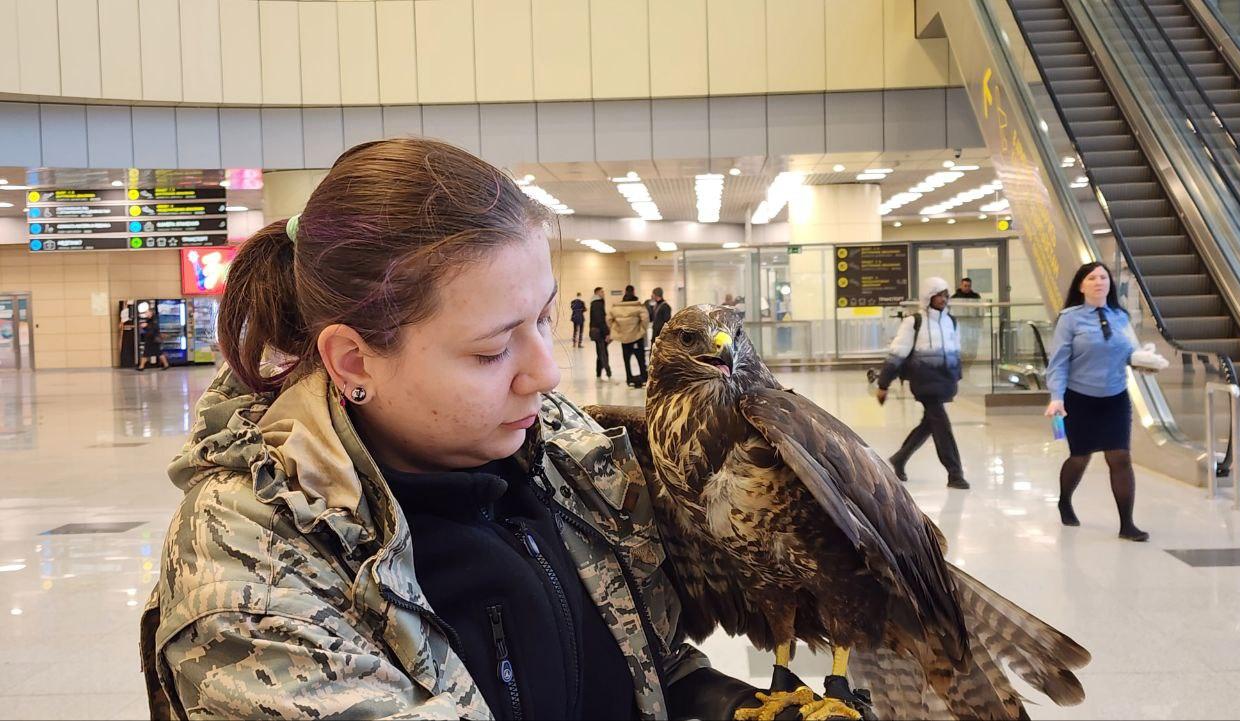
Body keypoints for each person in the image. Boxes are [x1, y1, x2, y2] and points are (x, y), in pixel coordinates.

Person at [140, 138, 813, 721]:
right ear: (353, 360)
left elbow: (638, 655)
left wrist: (727, 704)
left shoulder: (559, 449)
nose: (546, 373)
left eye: (545, 318)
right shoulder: (247, 574)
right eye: (492, 351)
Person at [1045, 262, 1163, 542]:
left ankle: (1127, 524)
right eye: (1092, 278)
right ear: (1081, 285)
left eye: (1103, 277)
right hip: (1079, 399)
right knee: (1080, 457)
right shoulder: (1070, 319)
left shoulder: (1121, 317)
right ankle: (1064, 500)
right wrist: (1056, 398)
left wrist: (1145, 361)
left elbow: (1130, 353)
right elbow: (1058, 363)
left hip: (1115, 398)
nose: (1099, 282)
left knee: (1120, 457)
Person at [875, 277, 968, 489]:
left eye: (946, 295)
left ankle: (900, 458)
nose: (943, 299)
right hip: (924, 382)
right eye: (939, 295)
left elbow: (955, 351)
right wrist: (883, 383)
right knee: (942, 425)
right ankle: (955, 473)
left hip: (945, 382)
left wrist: (957, 377)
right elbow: (897, 353)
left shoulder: (951, 322)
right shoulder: (913, 322)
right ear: (928, 297)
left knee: (930, 423)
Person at [608, 285, 650, 388]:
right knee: (640, 359)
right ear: (634, 292)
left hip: (624, 339)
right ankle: (644, 379)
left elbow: (609, 319)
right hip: (636, 337)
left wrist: (617, 330)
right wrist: (641, 330)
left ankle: (629, 379)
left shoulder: (617, 307)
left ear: (625, 292)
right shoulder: (638, 306)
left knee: (626, 361)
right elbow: (645, 319)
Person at [589, 286, 613, 380]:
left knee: (600, 352)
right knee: (603, 352)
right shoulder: (597, 303)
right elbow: (600, 320)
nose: (604, 294)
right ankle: (608, 372)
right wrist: (607, 333)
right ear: (597, 293)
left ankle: (598, 373)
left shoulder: (595, 303)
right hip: (599, 332)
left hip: (596, 331)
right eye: (602, 292)